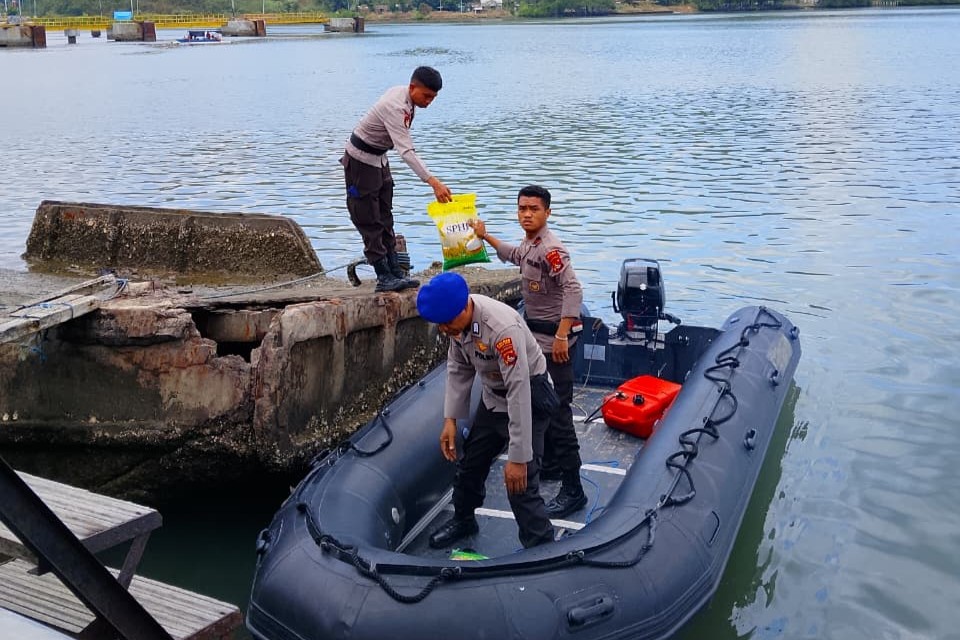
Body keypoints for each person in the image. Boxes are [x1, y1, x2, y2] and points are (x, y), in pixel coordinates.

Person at [469, 185, 587, 519]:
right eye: (522, 208)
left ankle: (573, 489)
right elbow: (512, 254)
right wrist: (486, 236)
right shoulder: (529, 244)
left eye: (533, 209)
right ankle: (549, 464)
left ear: (547, 212)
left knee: (559, 415)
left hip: (554, 344)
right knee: (541, 411)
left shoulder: (551, 249)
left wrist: (563, 334)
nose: (526, 214)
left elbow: (573, 289)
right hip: (535, 341)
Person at [416, 272, 558, 549]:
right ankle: (464, 518)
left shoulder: (502, 330)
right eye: (440, 325)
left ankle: (540, 544)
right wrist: (450, 419)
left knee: (522, 481)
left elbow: (519, 391)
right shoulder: (456, 325)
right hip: (494, 396)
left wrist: (517, 457)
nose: (444, 329)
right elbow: (458, 367)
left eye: (447, 322)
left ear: (465, 307)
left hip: (529, 395)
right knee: (470, 465)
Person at [341, 66, 453, 293]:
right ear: (413, 87)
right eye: (426, 96)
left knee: (384, 214)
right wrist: (433, 182)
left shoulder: (407, 98)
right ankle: (383, 277)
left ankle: (395, 270)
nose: (429, 101)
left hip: (379, 158)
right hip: (361, 162)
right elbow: (406, 151)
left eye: (433, 97)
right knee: (368, 218)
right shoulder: (395, 106)